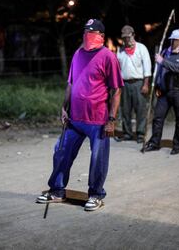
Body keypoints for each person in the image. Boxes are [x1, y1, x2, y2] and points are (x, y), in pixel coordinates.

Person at [36, 19, 123, 211]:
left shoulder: (108, 57)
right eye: (85, 32)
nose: (87, 35)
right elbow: (71, 83)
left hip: (98, 120)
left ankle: (96, 195)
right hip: (75, 118)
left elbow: (116, 90)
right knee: (61, 152)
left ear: (101, 36)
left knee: (97, 159)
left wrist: (112, 119)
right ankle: (57, 190)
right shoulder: (78, 53)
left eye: (91, 32)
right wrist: (64, 107)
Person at [143, 29, 179, 155]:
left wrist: (163, 61)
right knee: (158, 118)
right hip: (164, 92)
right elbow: (160, 71)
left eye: (175, 40)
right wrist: (157, 86)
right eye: (171, 39)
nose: (173, 42)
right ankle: (155, 143)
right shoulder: (166, 52)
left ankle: (177, 145)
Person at [115, 25, 152, 143]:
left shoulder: (141, 48)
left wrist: (146, 84)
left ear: (133, 35)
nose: (126, 40)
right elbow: (117, 69)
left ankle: (140, 133)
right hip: (124, 83)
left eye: (128, 37)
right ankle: (127, 133)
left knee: (140, 109)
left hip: (139, 83)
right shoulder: (120, 51)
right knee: (125, 110)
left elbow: (147, 67)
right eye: (124, 38)